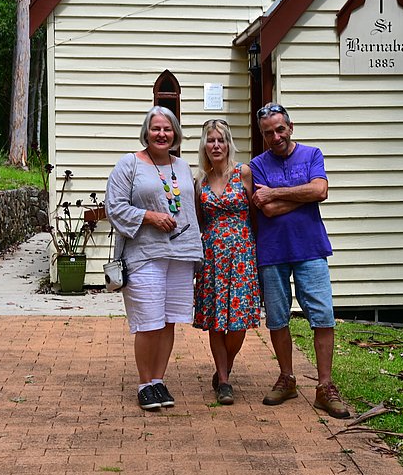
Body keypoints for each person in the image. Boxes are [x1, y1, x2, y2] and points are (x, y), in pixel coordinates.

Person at [248, 102, 350, 419]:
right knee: (277, 319)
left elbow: (321, 190)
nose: (275, 137)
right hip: (272, 251)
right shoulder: (256, 165)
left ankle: (325, 387)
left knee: (323, 315)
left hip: (311, 248)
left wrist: (277, 193)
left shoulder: (311, 154)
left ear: (291, 127)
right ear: (262, 135)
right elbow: (267, 210)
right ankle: (287, 379)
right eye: (268, 133)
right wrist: (302, 195)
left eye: (280, 129)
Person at [105, 105, 203, 411]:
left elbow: (190, 209)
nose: (162, 134)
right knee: (148, 322)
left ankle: (159, 380)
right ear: (146, 132)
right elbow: (114, 207)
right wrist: (149, 216)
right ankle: (145, 383)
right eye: (156, 128)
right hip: (145, 255)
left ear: (175, 134)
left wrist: (197, 252)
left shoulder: (183, 167)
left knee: (169, 321)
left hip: (181, 254)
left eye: (167, 129)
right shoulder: (129, 164)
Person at [193, 119, 261, 405]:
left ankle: (227, 363)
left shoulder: (243, 173)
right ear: (204, 146)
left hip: (242, 255)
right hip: (212, 257)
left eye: (221, 140)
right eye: (211, 141)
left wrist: (251, 247)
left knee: (238, 322)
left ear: (229, 143)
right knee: (215, 320)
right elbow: (200, 221)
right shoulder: (200, 182)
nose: (216, 145)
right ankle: (223, 381)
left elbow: (255, 215)